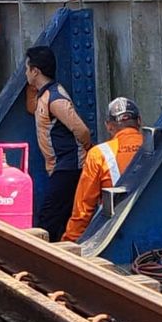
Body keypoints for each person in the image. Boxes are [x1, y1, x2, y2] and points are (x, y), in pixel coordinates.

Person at [25, 45, 92, 241]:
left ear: (35, 71)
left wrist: (87, 149)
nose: (25, 72)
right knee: (59, 216)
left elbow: (82, 130)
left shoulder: (56, 99)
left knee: (48, 217)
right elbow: (33, 109)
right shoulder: (45, 95)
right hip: (59, 166)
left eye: (27, 68)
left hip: (69, 166)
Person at [62, 97, 143, 242]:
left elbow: (83, 208)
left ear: (109, 126)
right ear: (139, 121)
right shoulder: (155, 145)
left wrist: (70, 240)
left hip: (114, 231)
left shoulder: (98, 154)